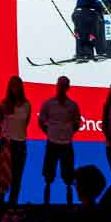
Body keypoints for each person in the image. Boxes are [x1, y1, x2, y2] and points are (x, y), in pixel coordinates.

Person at [38, 76, 82, 204]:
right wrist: (50, 133)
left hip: (67, 144)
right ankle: (46, 205)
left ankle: (69, 205)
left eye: (64, 85)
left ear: (68, 88)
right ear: (57, 86)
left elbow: (77, 123)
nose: (61, 87)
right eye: (60, 85)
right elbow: (41, 121)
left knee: (68, 177)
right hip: (52, 143)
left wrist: (68, 134)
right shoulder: (48, 103)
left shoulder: (73, 105)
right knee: (48, 176)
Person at [0, 75, 31, 206]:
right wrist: (5, 138)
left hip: (20, 145)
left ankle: (12, 211)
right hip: (7, 145)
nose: (14, 88)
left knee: (17, 180)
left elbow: (25, 123)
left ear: (21, 87)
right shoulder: (4, 104)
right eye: (12, 86)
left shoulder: (27, 105)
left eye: (17, 85)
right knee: (3, 179)